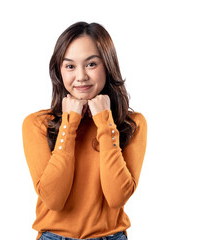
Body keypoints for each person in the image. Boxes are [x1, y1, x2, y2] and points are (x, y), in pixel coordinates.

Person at [22, 22, 147, 240]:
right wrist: (69, 125)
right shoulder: (37, 124)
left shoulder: (131, 124)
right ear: (59, 71)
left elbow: (116, 197)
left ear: (108, 65)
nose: (80, 76)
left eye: (91, 64)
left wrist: (104, 122)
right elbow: (54, 200)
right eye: (70, 66)